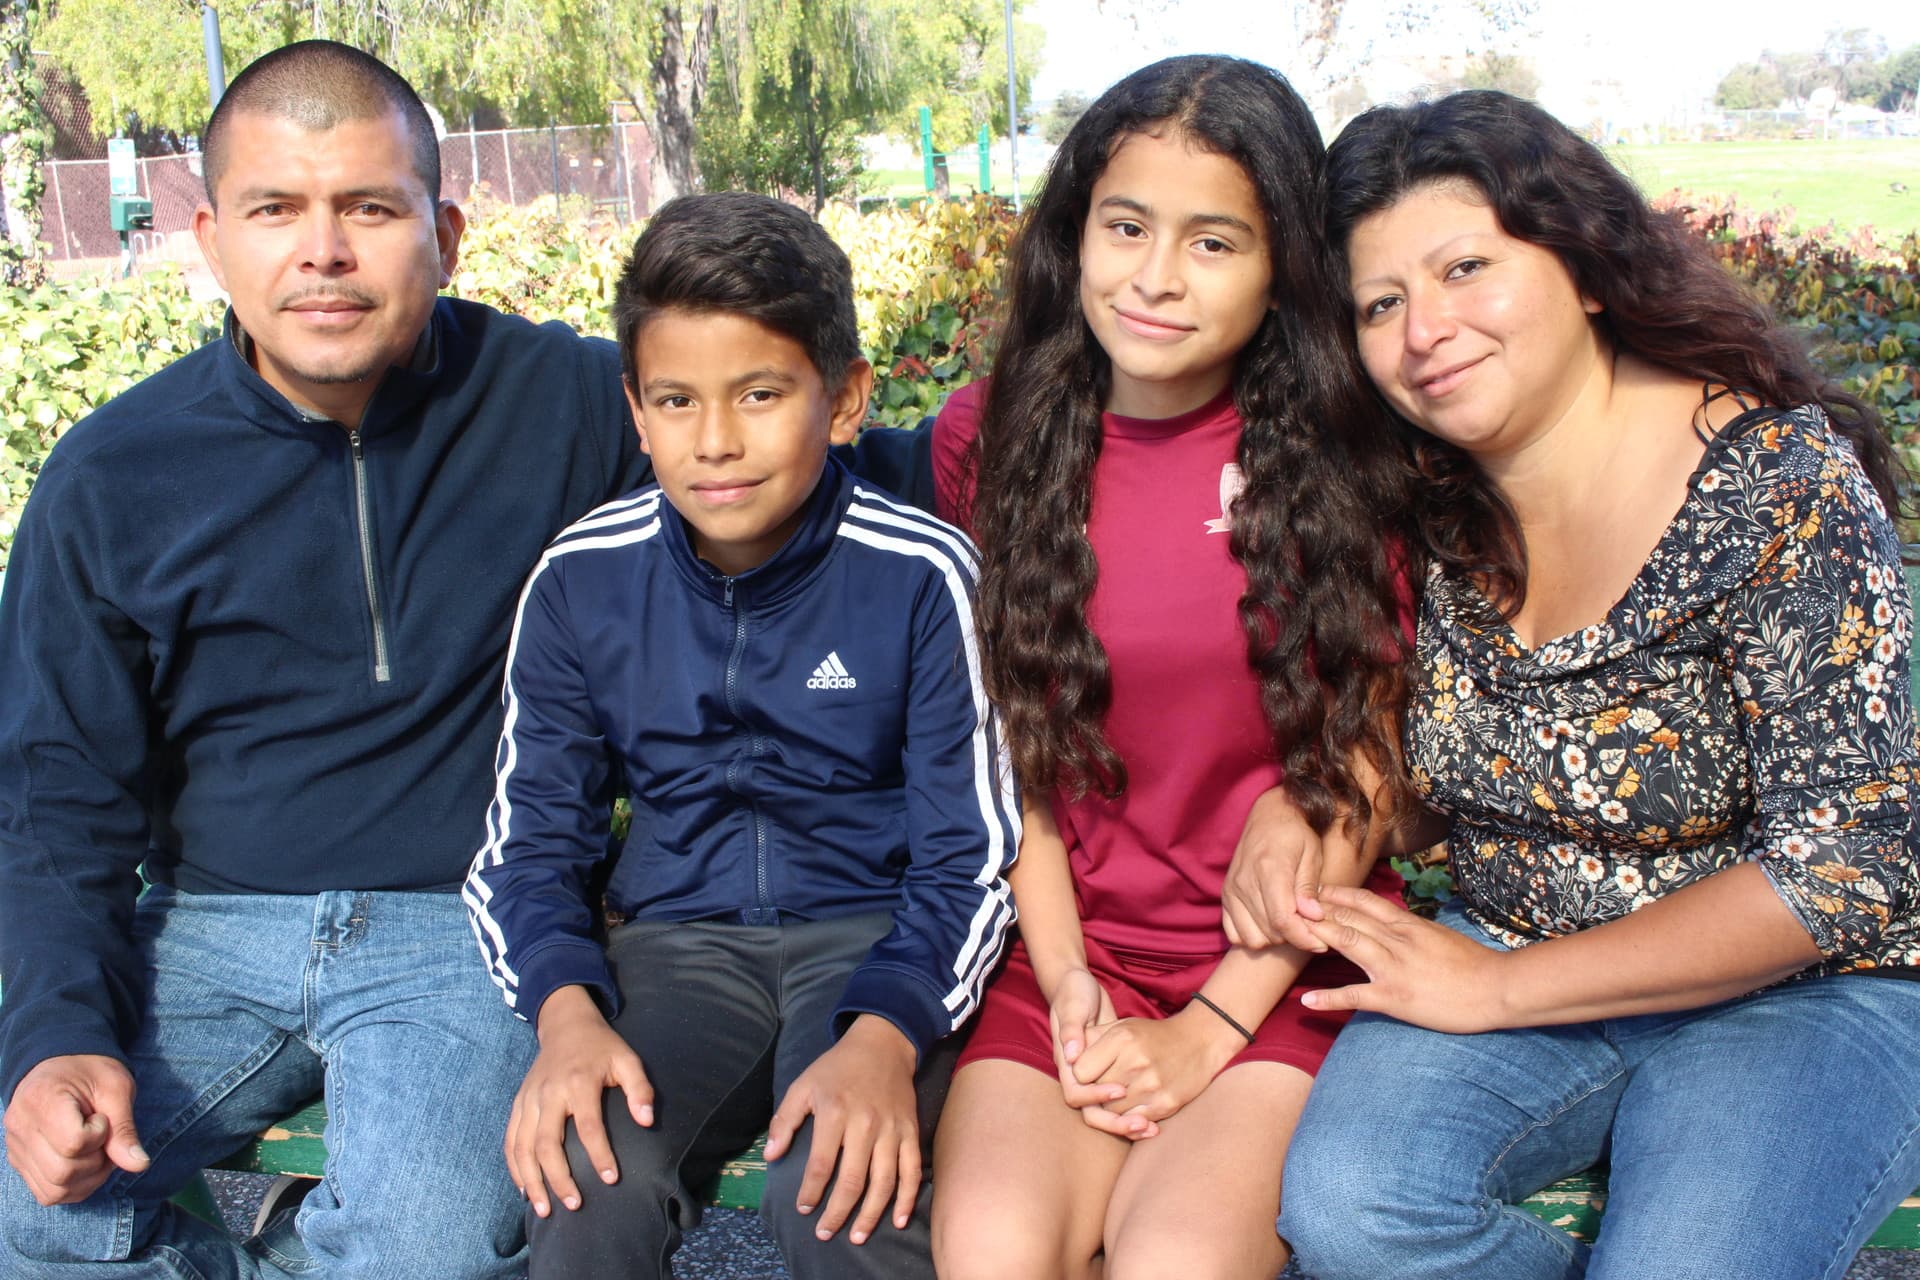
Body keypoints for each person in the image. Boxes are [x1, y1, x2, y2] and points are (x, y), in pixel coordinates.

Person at [0, 40, 651, 1279]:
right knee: (26, 1200)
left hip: (461, 925)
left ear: (444, 231)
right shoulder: (113, 477)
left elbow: (782, 454)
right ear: (210, 238)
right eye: (275, 209)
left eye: (368, 206)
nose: (324, 252)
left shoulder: (568, 403)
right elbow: (51, 803)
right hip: (200, 924)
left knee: (425, 1251)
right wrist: (57, 1038)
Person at [1268, 90, 1920, 1280]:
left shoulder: (1777, 484)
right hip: (1513, 937)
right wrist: (1303, 803)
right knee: (1352, 1209)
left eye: (1466, 266)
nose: (1426, 329)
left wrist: (1505, 987)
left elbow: (1846, 866)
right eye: (1381, 303)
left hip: (1805, 991)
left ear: (1587, 269)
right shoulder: (1430, 497)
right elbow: (1415, 762)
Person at [462, 190, 1019, 1280]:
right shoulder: (582, 579)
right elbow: (528, 847)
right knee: (586, 1178)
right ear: (635, 409)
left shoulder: (923, 574)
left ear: (846, 397)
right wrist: (566, 1015)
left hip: (877, 942)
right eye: (676, 399)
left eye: (761, 393)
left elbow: (972, 853)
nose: (715, 441)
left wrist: (887, 1036)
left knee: (844, 1191)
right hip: (676, 950)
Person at [925, 56, 1417, 1280]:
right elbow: (1017, 764)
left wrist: (1210, 1027)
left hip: (1282, 964)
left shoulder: (1349, 454)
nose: (1153, 277)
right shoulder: (990, 439)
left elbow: (1369, 753)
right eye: (1126, 226)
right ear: (1074, 232)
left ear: (1283, 265)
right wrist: (1070, 980)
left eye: (1213, 242)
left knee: (1173, 1263)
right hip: (1068, 956)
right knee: (992, 1251)